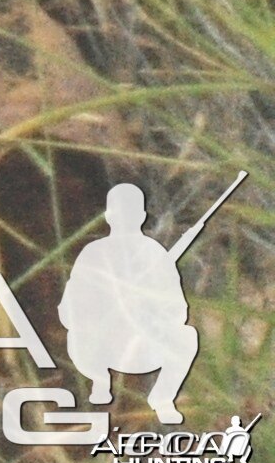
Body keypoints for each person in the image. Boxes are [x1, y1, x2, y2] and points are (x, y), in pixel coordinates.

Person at [62, 181, 203, 423]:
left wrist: (147, 306)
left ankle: (162, 398)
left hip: (143, 346)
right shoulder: (93, 253)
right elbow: (68, 309)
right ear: (108, 216)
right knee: (77, 337)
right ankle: (100, 382)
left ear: (141, 216)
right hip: (99, 348)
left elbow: (178, 309)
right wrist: (107, 308)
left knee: (187, 337)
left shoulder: (154, 254)